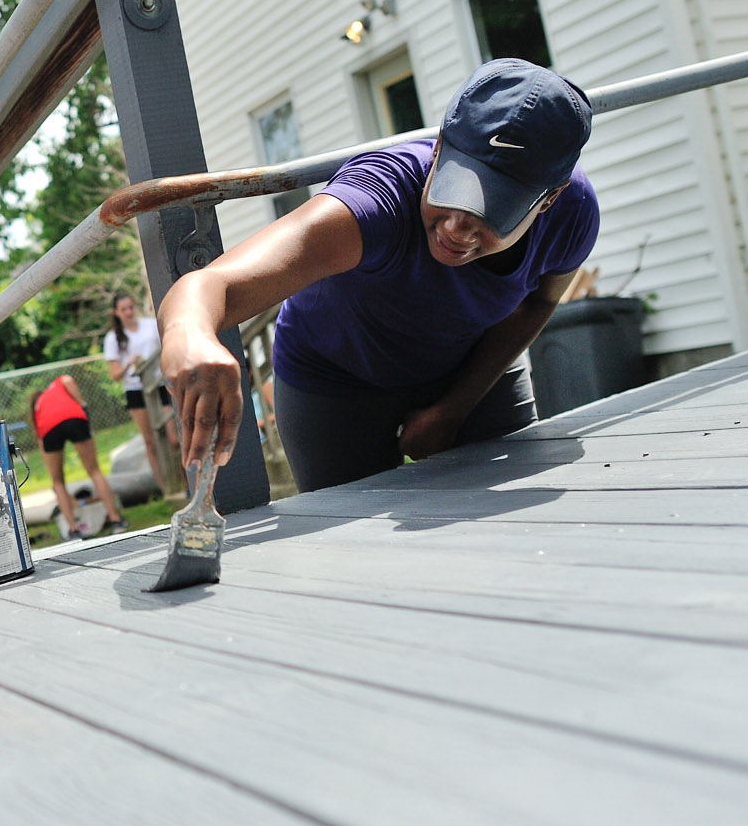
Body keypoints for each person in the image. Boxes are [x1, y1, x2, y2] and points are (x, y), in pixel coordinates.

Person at [159, 58, 599, 492]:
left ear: (548, 199)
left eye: (493, 210)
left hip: (472, 366)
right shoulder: (376, 200)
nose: (456, 228)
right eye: (454, 189)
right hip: (336, 379)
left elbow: (538, 302)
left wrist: (453, 408)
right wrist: (190, 336)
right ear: (441, 145)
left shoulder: (572, 214)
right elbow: (209, 285)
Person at [30, 373, 125, 537]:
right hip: (74, 418)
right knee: (94, 470)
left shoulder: (38, 408)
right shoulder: (59, 381)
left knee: (58, 482)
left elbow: (41, 442)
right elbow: (68, 380)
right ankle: (115, 519)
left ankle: (73, 529)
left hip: (48, 429)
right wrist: (82, 404)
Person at [101, 291, 175, 484]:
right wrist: (129, 363)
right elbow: (115, 375)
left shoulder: (150, 325)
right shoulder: (113, 338)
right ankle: (165, 486)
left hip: (159, 385)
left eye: (130, 307)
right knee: (150, 441)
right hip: (136, 391)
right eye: (123, 309)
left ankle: (184, 482)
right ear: (116, 312)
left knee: (173, 437)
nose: (128, 312)